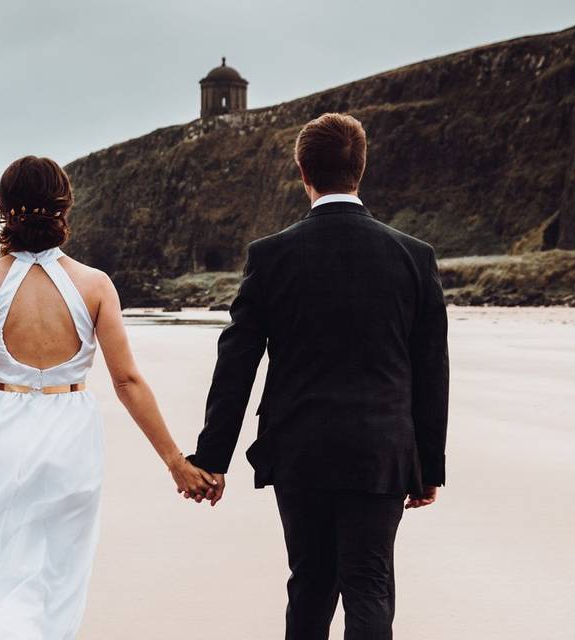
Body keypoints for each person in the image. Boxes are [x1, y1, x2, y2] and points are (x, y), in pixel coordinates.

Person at [0, 156, 215, 639]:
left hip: (2, 430)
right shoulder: (94, 284)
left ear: (3, 210)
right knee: (57, 577)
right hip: (72, 437)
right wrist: (175, 462)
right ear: (64, 207)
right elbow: (128, 382)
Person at [187, 113, 450, 639]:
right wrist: (429, 465)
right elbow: (431, 368)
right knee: (369, 585)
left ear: (303, 171)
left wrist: (212, 459)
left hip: (300, 449)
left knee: (310, 583)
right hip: (382, 450)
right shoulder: (413, 257)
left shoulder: (271, 255)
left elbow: (236, 360)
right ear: (361, 169)